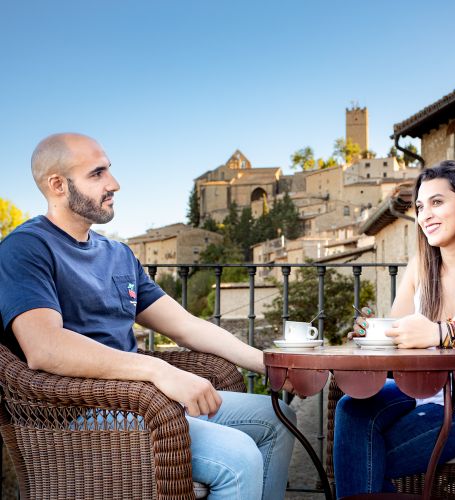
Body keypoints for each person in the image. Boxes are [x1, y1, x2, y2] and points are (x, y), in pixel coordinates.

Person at [0, 133, 296, 500]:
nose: (114, 184)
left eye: (109, 170)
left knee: (279, 420)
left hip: (141, 404)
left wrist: (268, 364)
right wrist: (160, 372)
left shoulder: (118, 254)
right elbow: (44, 346)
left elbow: (186, 326)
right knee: (239, 458)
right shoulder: (26, 248)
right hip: (74, 416)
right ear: (57, 185)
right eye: (97, 174)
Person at [334, 160, 455, 498]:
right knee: (350, 407)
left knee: (362, 460)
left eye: (437, 202)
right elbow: (398, 332)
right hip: (416, 391)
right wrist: (374, 334)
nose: (425, 215)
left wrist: (442, 334)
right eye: (420, 207)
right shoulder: (418, 268)